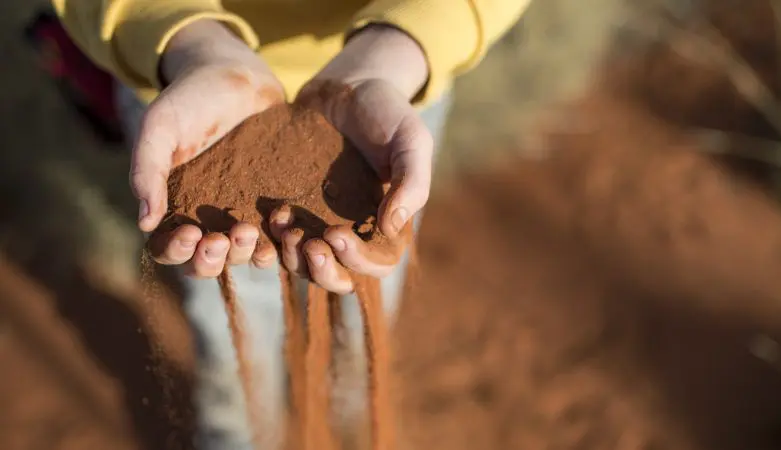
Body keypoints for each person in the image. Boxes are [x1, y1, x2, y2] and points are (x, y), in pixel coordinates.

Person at [53, 0, 530, 448]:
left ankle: (348, 420)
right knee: (225, 309)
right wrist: (188, 40)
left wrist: (401, 46)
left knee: (363, 287)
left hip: (389, 83)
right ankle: (237, 433)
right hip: (186, 80)